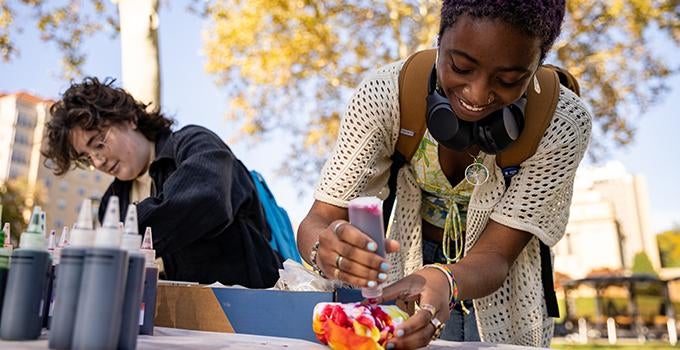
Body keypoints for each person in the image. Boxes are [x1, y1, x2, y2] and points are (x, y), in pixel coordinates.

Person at [297, 0, 591, 348]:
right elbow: (319, 218)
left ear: (536, 66)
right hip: (404, 271)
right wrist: (325, 248)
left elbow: (497, 255)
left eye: (509, 80)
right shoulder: (384, 96)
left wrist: (446, 279)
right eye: (461, 66)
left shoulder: (562, 124)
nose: (477, 94)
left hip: (504, 292)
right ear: (439, 40)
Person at [43, 77, 281, 288]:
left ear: (128, 118)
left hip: (245, 313)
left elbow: (206, 199)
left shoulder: (195, 143)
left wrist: (113, 237)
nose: (98, 160)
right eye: (87, 157)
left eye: (98, 143)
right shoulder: (112, 201)